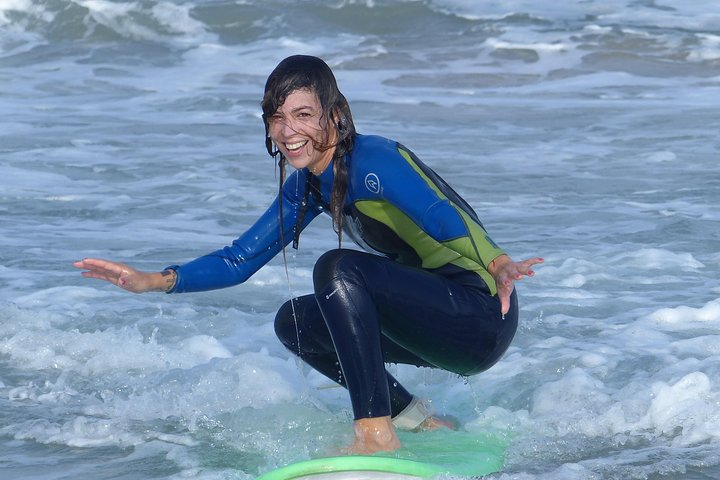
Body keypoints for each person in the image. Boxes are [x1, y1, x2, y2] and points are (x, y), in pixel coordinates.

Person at [74, 55, 543, 455]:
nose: (287, 130)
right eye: (276, 117)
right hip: (435, 324)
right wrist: (153, 280)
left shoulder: (374, 160)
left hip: (480, 316)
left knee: (337, 268)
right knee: (295, 321)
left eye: (302, 114)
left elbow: (443, 215)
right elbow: (240, 259)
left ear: (334, 115)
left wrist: (499, 262)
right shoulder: (308, 184)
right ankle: (417, 421)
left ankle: (374, 432)